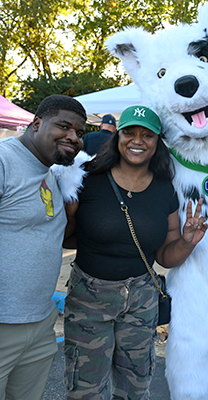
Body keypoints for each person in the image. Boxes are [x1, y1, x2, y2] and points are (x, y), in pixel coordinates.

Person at [63, 105, 208, 400]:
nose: (137, 140)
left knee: (135, 390)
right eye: (129, 132)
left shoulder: (166, 188)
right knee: (85, 391)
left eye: (147, 135)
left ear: (158, 142)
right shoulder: (87, 178)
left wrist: (188, 241)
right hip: (89, 297)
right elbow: (65, 238)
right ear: (118, 136)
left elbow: (166, 256)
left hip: (141, 299)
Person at [0, 94, 86, 400]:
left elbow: (54, 236)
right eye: (64, 126)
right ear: (36, 123)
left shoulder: (50, 173)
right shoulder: (4, 160)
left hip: (40, 323)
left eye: (79, 132)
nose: (73, 137)